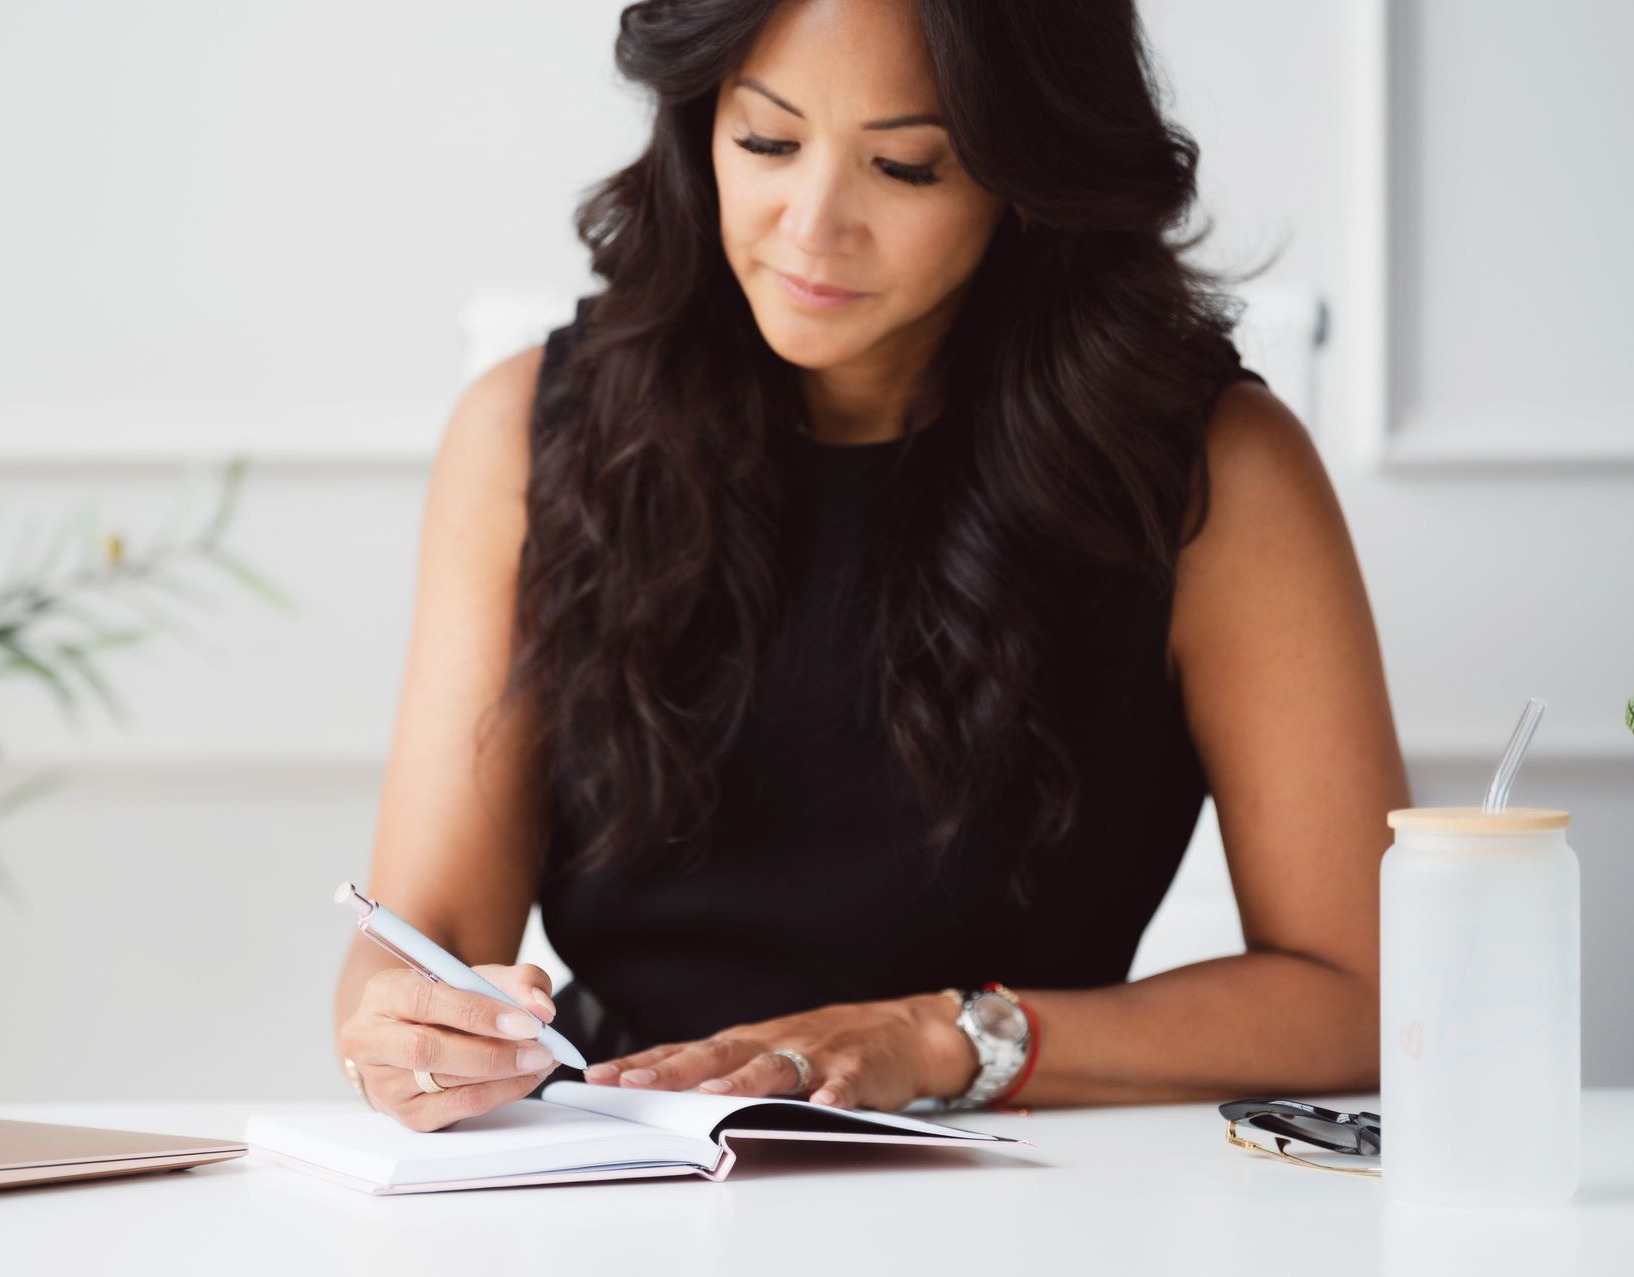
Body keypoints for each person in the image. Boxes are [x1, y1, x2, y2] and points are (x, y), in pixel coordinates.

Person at [334, 0, 1410, 1133]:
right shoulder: (525, 433)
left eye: (904, 167)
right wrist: (408, 1037)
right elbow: (425, 936)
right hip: (622, 1161)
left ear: (1028, 172)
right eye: (766, 141)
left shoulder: (1215, 469)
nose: (812, 226)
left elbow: (1366, 988)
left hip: (1032, 1176)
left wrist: (935, 1038)